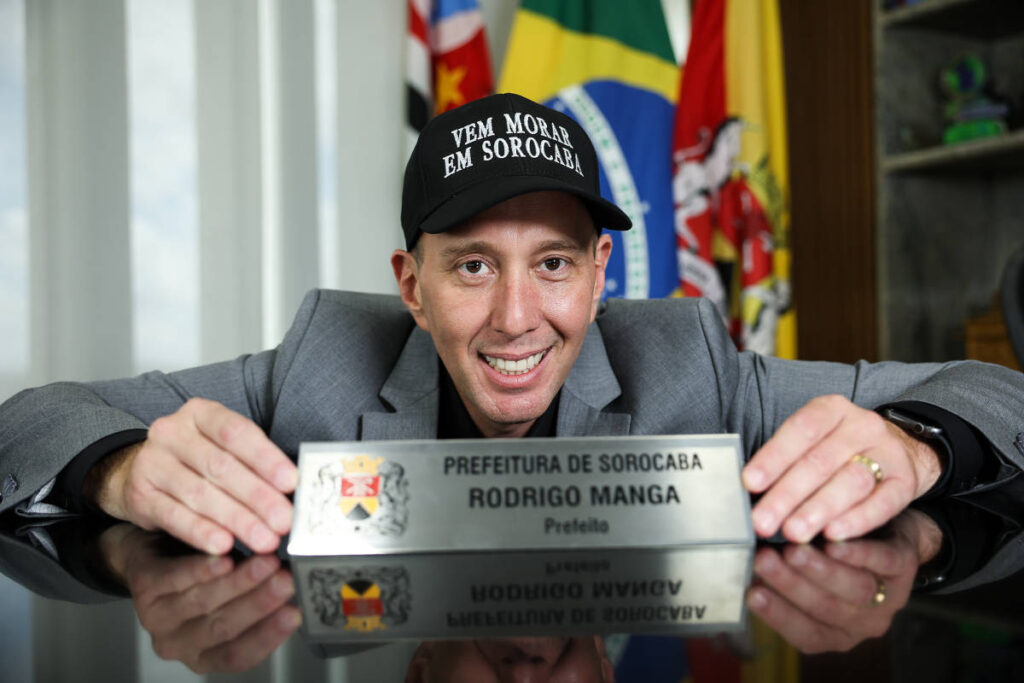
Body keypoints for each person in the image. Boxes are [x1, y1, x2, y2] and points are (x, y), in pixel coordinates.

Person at [1, 93, 1023, 558]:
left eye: (554, 263)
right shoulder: (321, 361)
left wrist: (913, 441)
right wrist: (116, 469)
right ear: (410, 284)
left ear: (600, 273)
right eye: (473, 265)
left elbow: (1001, 392)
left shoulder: (686, 360)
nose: (517, 317)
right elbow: (30, 417)